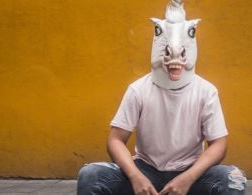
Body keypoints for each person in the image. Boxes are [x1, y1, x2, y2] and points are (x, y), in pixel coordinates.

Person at [77, 0, 247, 194]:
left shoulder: (206, 91)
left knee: (233, 179)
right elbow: (115, 139)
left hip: (192, 171)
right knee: (90, 175)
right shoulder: (138, 89)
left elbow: (219, 144)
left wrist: (188, 178)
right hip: (145, 169)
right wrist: (135, 177)